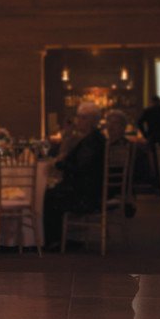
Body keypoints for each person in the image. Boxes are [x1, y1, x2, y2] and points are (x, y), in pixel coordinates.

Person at [42, 101, 106, 249]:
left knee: (50, 195)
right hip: (88, 187)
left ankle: (54, 241)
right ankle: (56, 238)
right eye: (78, 117)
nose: (78, 121)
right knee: (53, 191)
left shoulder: (93, 141)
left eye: (83, 117)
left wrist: (59, 165)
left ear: (93, 120)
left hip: (87, 193)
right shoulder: (92, 138)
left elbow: (80, 167)